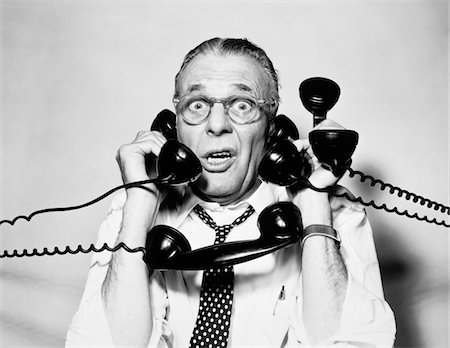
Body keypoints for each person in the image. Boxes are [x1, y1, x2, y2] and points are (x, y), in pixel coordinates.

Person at [66, 38, 396, 347]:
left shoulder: (333, 211)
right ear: (174, 126)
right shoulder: (133, 211)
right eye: (197, 105)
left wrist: (313, 209)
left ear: (272, 129)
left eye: (241, 105)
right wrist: (138, 204)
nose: (217, 124)